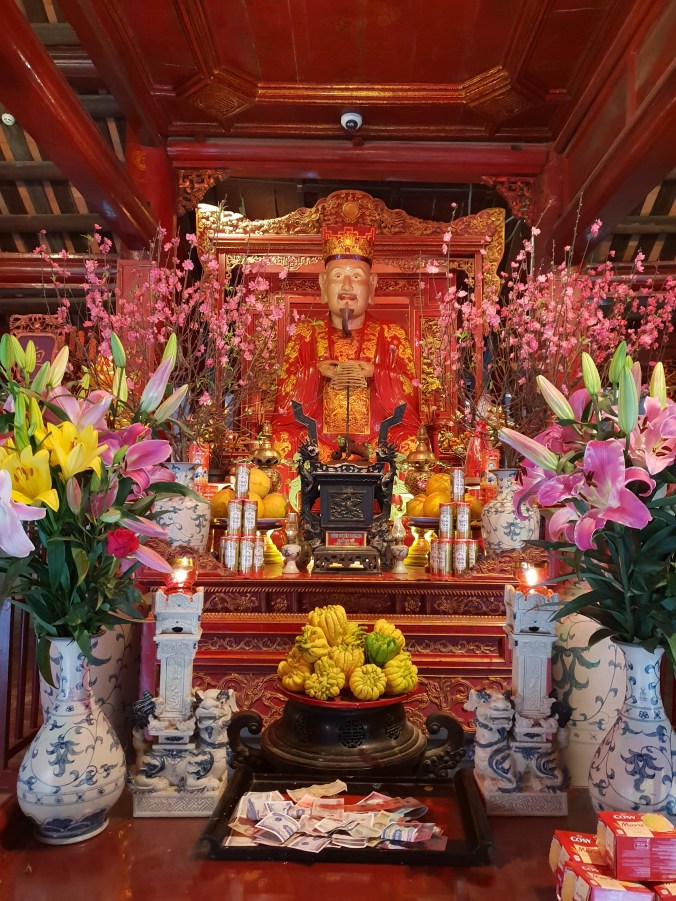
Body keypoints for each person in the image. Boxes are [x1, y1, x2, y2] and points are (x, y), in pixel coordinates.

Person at [272, 225, 420, 461]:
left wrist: (377, 373)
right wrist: (314, 371)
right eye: (338, 276)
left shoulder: (392, 334)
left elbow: (411, 402)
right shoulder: (304, 333)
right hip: (315, 440)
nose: (347, 286)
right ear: (323, 284)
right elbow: (282, 403)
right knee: (282, 442)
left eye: (357, 277)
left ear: (372, 285)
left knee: (409, 442)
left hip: (376, 440)